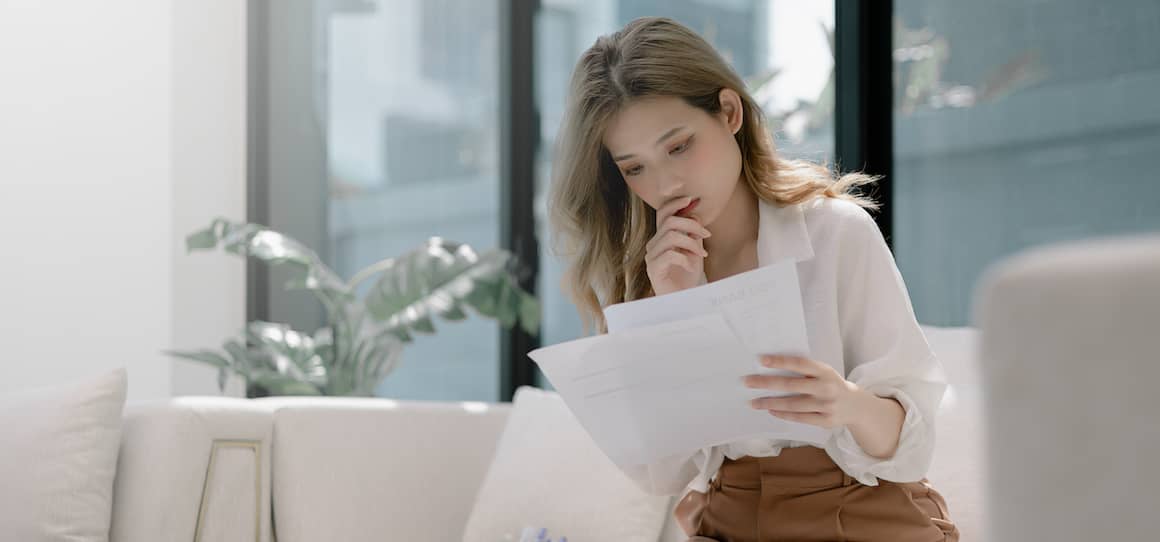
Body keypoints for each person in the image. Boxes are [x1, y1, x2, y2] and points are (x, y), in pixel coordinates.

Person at [545, 16, 959, 542]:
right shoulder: (652, 274)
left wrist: (848, 403)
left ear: (729, 112)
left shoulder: (836, 232)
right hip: (731, 517)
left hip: (859, 512)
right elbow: (665, 472)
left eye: (678, 147)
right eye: (634, 169)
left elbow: (913, 446)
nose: (666, 183)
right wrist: (676, 309)